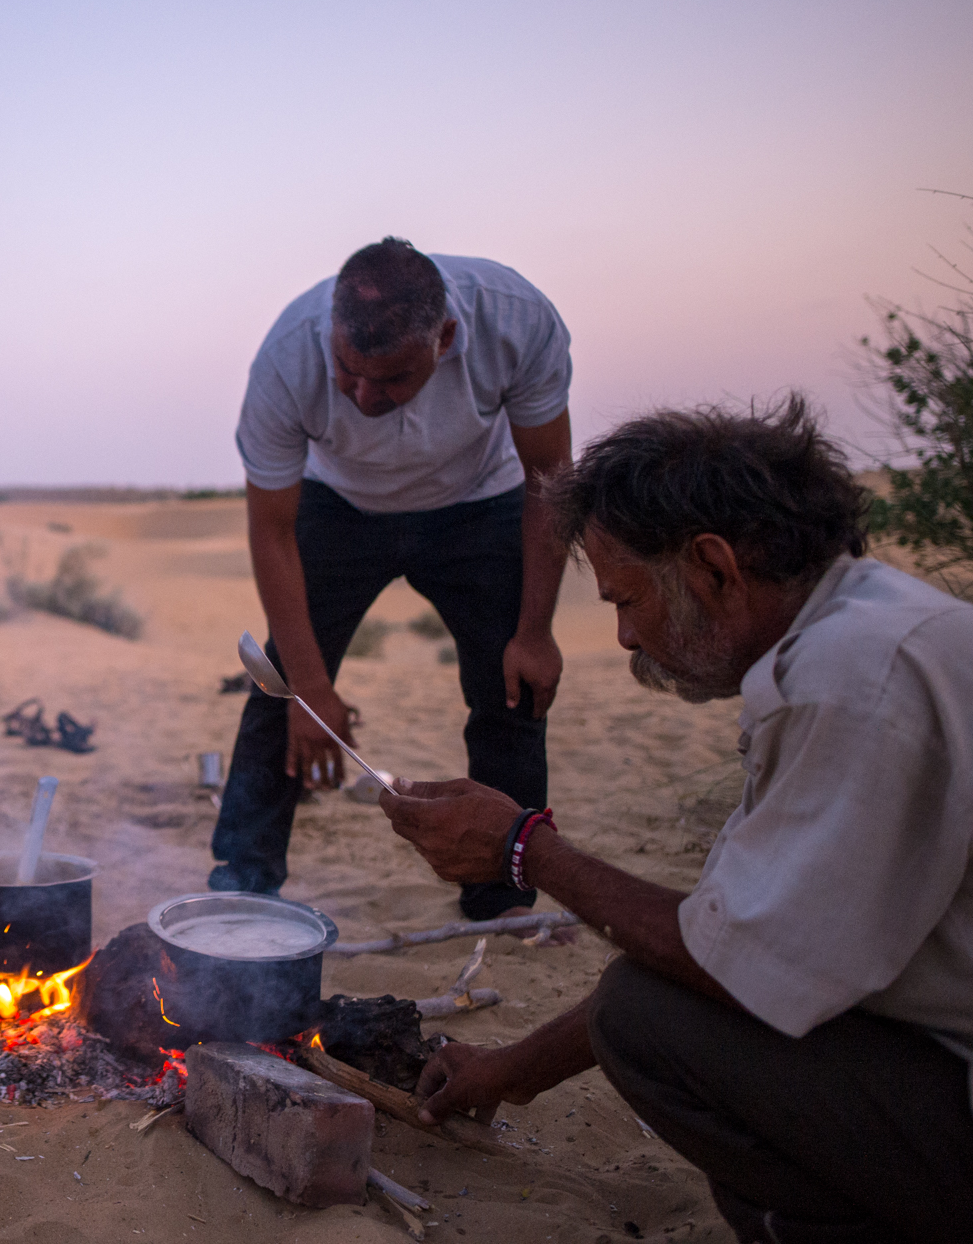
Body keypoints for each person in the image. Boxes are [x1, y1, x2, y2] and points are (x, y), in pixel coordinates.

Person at [382, 399, 973, 1243]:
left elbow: (735, 968)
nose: (623, 636)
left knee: (639, 1017)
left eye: (628, 599)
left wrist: (524, 849)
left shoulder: (855, 682)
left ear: (714, 567)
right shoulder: (864, 629)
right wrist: (511, 1069)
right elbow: (726, 938)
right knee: (648, 999)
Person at [214, 237, 573, 920]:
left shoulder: (515, 320)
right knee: (280, 686)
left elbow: (551, 484)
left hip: (479, 502)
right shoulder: (287, 357)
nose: (362, 393)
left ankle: (502, 896)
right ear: (330, 332)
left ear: (446, 337)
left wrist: (536, 629)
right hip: (339, 507)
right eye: (348, 371)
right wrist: (313, 690)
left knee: (513, 685)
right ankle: (242, 883)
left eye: (391, 378)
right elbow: (271, 530)